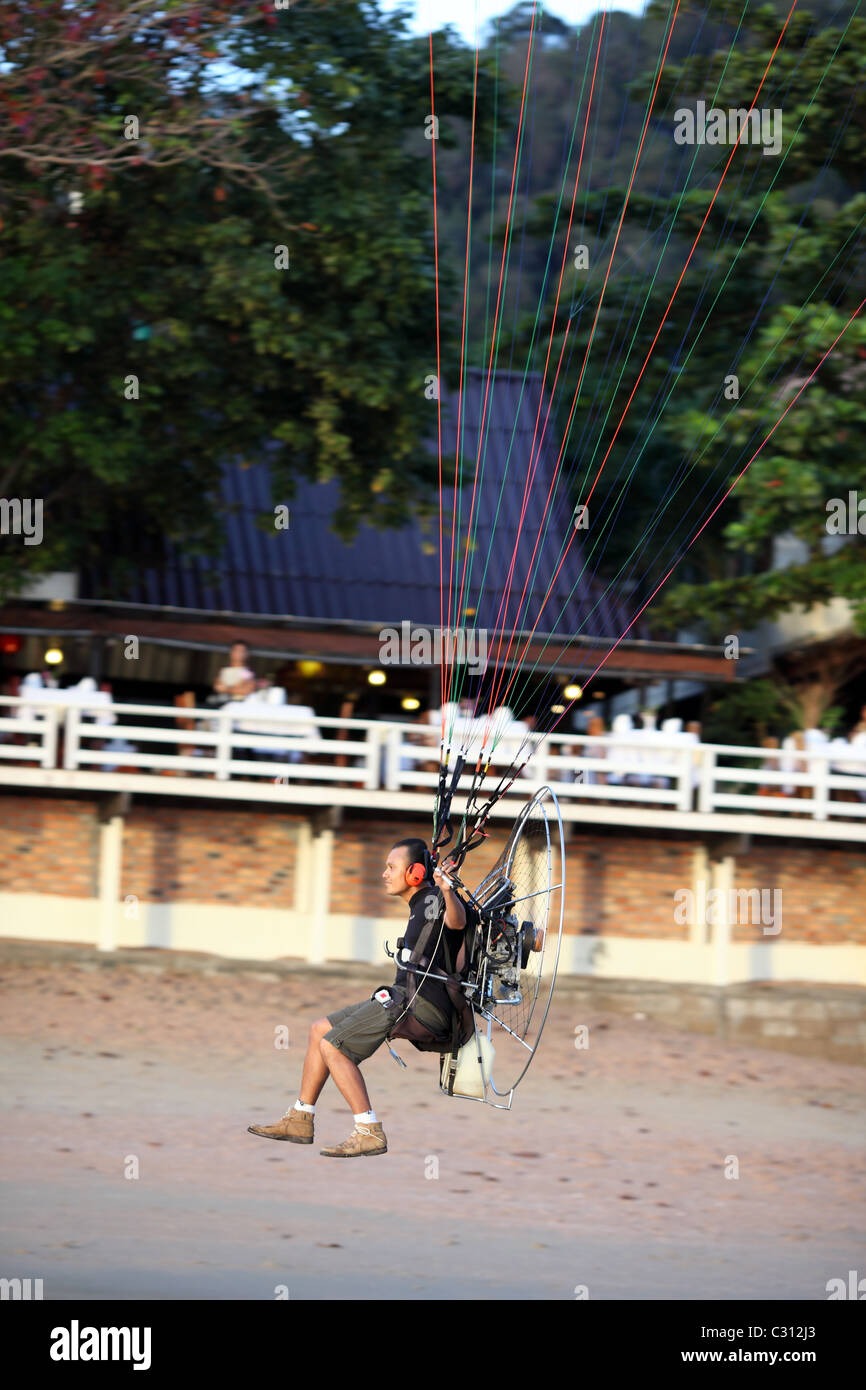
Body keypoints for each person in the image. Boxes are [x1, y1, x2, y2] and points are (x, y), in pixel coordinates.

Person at [247, 839, 481, 1158]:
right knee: (320, 1030)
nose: (384, 873)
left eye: (391, 867)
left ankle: (368, 1131)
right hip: (404, 996)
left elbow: (458, 922)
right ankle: (301, 1117)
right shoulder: (422, 902)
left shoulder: (434, 897)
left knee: (333, 1045)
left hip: (421, 1005)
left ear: (414, 873)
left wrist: (446, 890)